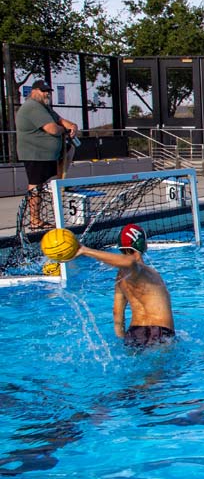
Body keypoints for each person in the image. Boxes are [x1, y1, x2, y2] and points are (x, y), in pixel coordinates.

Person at [72, 223, 175, 347]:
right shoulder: (140, 269)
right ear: (142, 243)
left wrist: (122, 337)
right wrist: (85, 250)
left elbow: (117, 312)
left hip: (134, 333)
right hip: (158, 332)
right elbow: (130, 261)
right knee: (163, 367)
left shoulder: (121, 277)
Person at [16, 80, 78, 229]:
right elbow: (52, 129)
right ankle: (35, 220)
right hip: (35, 155)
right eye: (43, 91)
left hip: (48, 156)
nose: (46, 94)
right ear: (34, 91)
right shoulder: (32, 107)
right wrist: (64, 131)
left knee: (70, 149)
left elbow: (60, 120)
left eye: (48, 91)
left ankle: (59, 183)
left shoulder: (44, 108)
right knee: (36, 186)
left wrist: (72, 126)